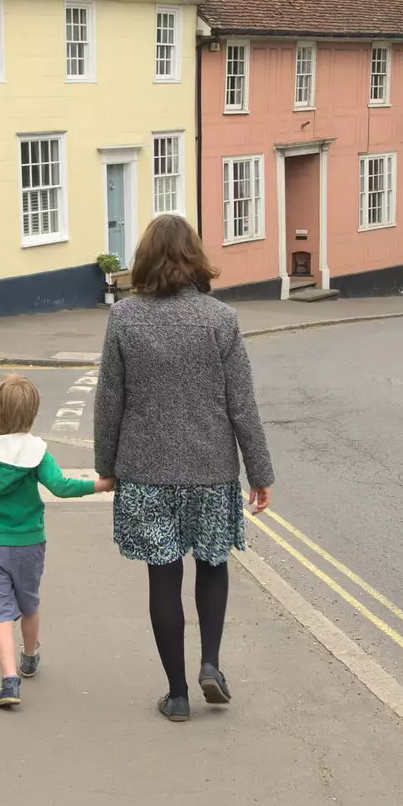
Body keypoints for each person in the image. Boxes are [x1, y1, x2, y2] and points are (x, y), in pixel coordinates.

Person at [94, 214, 273, 722]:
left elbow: (110, 401)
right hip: (211, 470)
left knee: (163, 579)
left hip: (146, 471)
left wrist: (105, 466)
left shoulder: (124, 319)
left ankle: (176, 695)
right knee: (213, 565)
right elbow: (243, 404)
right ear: (195, 256)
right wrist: (260, 473)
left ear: (145, 257)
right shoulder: (221, 319)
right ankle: (211, 664)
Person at [0, 373, 115, 708]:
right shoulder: (36, 451)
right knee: (29, 602)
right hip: (29, 542)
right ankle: (29, 656)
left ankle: (9, 681)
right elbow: (60, 486)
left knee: (0, 611)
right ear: (32, 414)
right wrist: (100, 485)